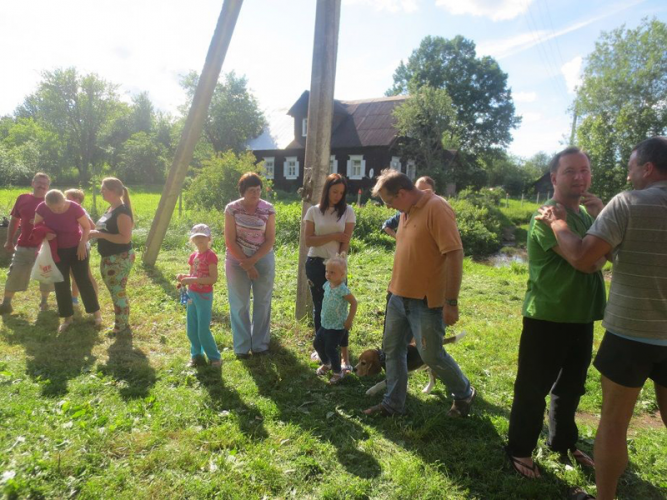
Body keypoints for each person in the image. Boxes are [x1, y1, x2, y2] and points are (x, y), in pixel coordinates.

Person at [536, 137, 667, 500]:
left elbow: (582, 257)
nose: (628, 174)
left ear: (648, 168)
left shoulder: (627, 203)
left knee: (612, 423)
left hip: (632, 333)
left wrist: (558, 223)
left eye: (631, 166)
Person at [505, 147, 606, 479]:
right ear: (554, 178)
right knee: (533, 388)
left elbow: (603, 255)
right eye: (570, 171)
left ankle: (562, 444)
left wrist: (600, 220)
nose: (580, 177)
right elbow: (586, 260)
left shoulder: (585, 216)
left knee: (571, 387)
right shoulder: (547, 215)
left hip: (581, 315)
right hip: (548, 316)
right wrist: (596, 258)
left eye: (585, 170)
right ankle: (519, 450)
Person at [365, 169, 475, 417]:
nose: (389, 207)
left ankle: (464, 392)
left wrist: (451, 302)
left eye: (390, 201)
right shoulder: (406, 211)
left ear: (402, 193)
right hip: (398, 297)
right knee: (392, 351)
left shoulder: (437, 208)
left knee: (431, 354)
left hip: (425, 302)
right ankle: (393, 405)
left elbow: (454, 254)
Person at [304, 173, 356, 370]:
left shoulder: (348, 211)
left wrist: (340, 263)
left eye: (341, 193)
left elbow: (345, 240)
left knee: (340, 308)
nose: (338, 196)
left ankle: (345, 357)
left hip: (337, 266)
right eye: (334, 192)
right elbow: (309, 240)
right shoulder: (313, 211)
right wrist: (333, 234)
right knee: (320, 307)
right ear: (327, 191)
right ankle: (323, 351)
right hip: (316, 264)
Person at [34, 189, 101, 332]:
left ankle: (96, 314)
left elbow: (87, 226)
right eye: (53, 208)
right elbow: (37, 225)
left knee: (83, 280)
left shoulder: (74, 207)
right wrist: (45, 234)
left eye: (59, 207)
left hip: (78, 248)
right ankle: (67, 318)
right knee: (61, 282)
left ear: (64, 200)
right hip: (57, 250)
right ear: (46, 204)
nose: (57, 210)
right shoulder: (42, 208)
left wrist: (83, 243)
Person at [224, 173, 276, 358]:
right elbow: (229, 240)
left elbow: (270, 239)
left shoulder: (268, 209)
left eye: (258, 190)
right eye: (251, 190)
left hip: (262, 259)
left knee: (263, 302)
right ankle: (242, 347)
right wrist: (246, 264)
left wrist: (252, 262)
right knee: (239, 304)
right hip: (236, 261)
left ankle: (260, 345)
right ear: (242, 192)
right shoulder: (232, 209)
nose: (255, 194)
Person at [0, 173, 54, 314]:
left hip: (45, 246)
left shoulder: (52, 201)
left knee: (46, 274)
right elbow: (14, 220)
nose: (42, 186)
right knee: (15, 272)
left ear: (48, 187)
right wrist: (9, 240)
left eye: (45, 184)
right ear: (32, 183)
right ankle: (5, 304)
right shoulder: (22, 198)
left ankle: (44, 303)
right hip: (24, 244)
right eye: (39, 182)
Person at [88, 178, 135, 335]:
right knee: (115, 290)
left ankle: (121, 326)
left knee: (118, 291)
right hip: (109, 257)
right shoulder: (111, 208)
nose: (101, 191)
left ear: (114, 191)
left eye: (104, 189)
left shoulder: (122, 212)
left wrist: (99, 234)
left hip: (119, 257)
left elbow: (124, 238)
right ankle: (122, 323)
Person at [177, 224, 221, 368]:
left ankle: (215, 358)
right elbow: (193, 274)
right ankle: (196, 354)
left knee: (203, 330)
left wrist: (193, 280)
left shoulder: (211, 256)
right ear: (192, 240)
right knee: (191, 328)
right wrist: (185, 277)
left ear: (209, 238)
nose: (199, 240)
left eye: (203, 237)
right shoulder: (193, 256)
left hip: (204, 296)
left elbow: (212, 279)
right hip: (192, 294)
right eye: (197, 237)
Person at [313, 253, 358, 384]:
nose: (328, 274)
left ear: (342, 275)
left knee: (330, 348)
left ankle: (338, 372)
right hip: (326, 322)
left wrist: (349, 320)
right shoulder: (327, 285)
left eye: (332, 272)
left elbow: (354, 303)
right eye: (327, 271)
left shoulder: (343, 289)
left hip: (338, 325)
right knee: (317, 343)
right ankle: (327, 364)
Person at [64, 189, 99, 307]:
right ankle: (74, 299)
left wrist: (82, 243)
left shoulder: (81, 210)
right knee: (74, 274)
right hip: (73, 247)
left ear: (76, 200)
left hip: (81, 247)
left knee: (86, 275)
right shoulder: (68, 210)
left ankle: (94, 300)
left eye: (67, 197)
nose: (64, 200)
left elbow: (92, 227)